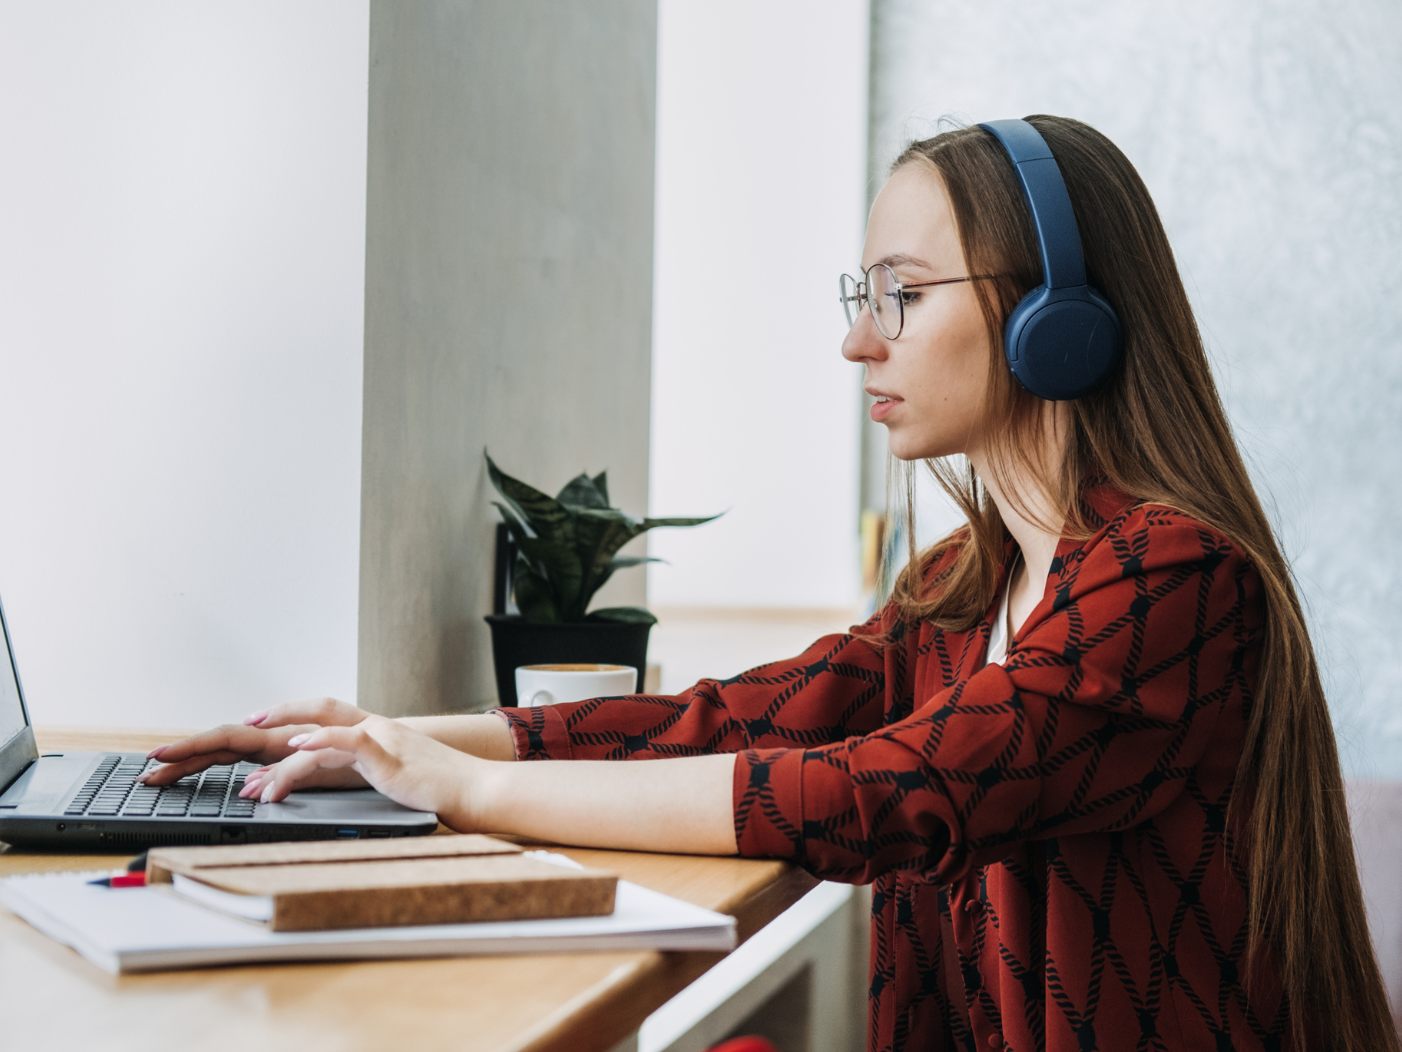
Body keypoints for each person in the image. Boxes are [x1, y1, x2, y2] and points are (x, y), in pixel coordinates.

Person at [144, 115, 1397, 1052]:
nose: (860, 339)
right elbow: (744, 718)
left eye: (900, 297)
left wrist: (470, 789)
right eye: (866, 297)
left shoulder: (1173, 580)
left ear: (1051, 319)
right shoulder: (967, 583)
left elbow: (893, 790)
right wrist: (397, 734)